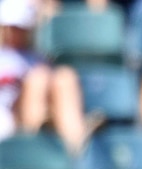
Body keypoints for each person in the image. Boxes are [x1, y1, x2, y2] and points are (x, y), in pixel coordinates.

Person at [0, 0, 94, 154]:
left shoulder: (35, 58)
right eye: (11, 27)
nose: (14, 32)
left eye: (19, 28)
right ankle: (32, 145)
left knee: (65, 77)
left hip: (36, 110)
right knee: (39, 78)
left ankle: (78, 148)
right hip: (8, 115)